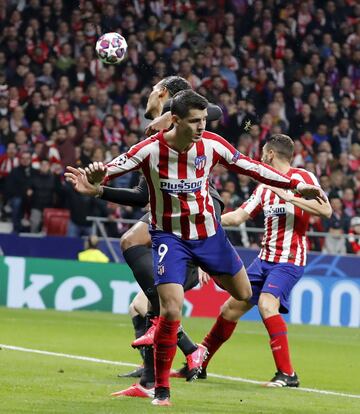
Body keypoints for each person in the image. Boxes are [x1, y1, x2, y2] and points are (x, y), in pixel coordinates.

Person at [66, 90, 324, 406]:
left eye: (203, 120)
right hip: (170, 240)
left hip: (210, 237)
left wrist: (295, 185)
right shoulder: (149, 150)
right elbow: (112, 167)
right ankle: (161, 391)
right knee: (170, 308)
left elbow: (251, 167)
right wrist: (95, 181)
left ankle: (191, 332)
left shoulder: (212, 144)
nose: (202, 126)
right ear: (175, 120)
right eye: (195, 121)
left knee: (243, 295)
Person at [175, 134, 332, 387]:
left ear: (270, 154)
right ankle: (198, 364)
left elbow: (326, 210)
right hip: (263, 261)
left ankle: (288, 374)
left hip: (290, 260)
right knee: (229, 309)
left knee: (267, 304)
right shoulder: (263, 186)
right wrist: (204, 217)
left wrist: (291, 197)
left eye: (262, 152)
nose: (260, 156)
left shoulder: (303, 178)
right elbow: (238, 217)